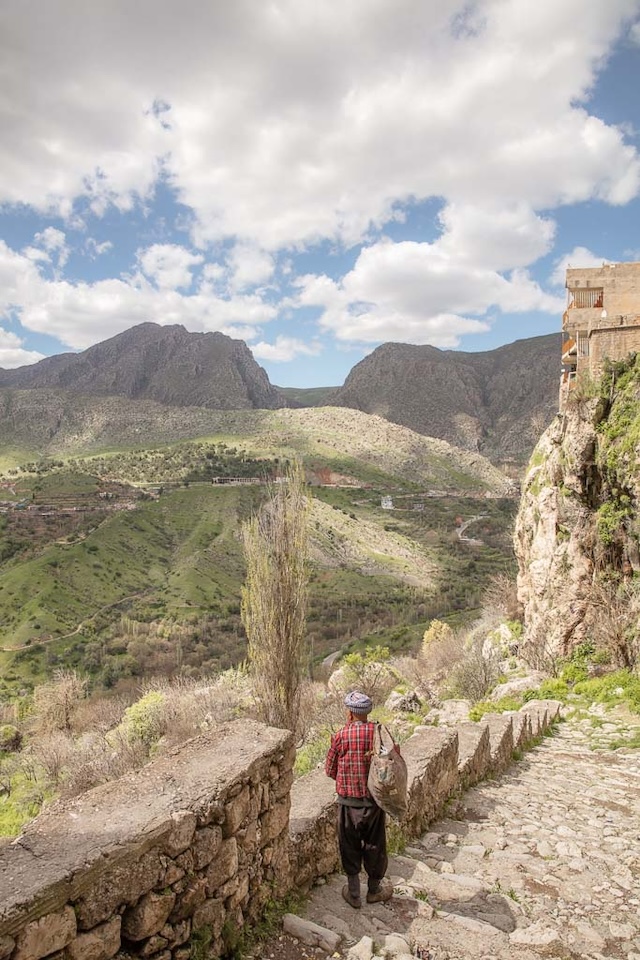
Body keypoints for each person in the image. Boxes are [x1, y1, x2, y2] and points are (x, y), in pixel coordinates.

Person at [325, 690, 393, 908]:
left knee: (349, 844)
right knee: (375, 844)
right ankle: (374, 890)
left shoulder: (340, 736)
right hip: (373, 801)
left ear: (350, 713)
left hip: (348, 802)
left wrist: (346, 778)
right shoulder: (378, 733)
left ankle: (354, 893)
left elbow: (330, 769)